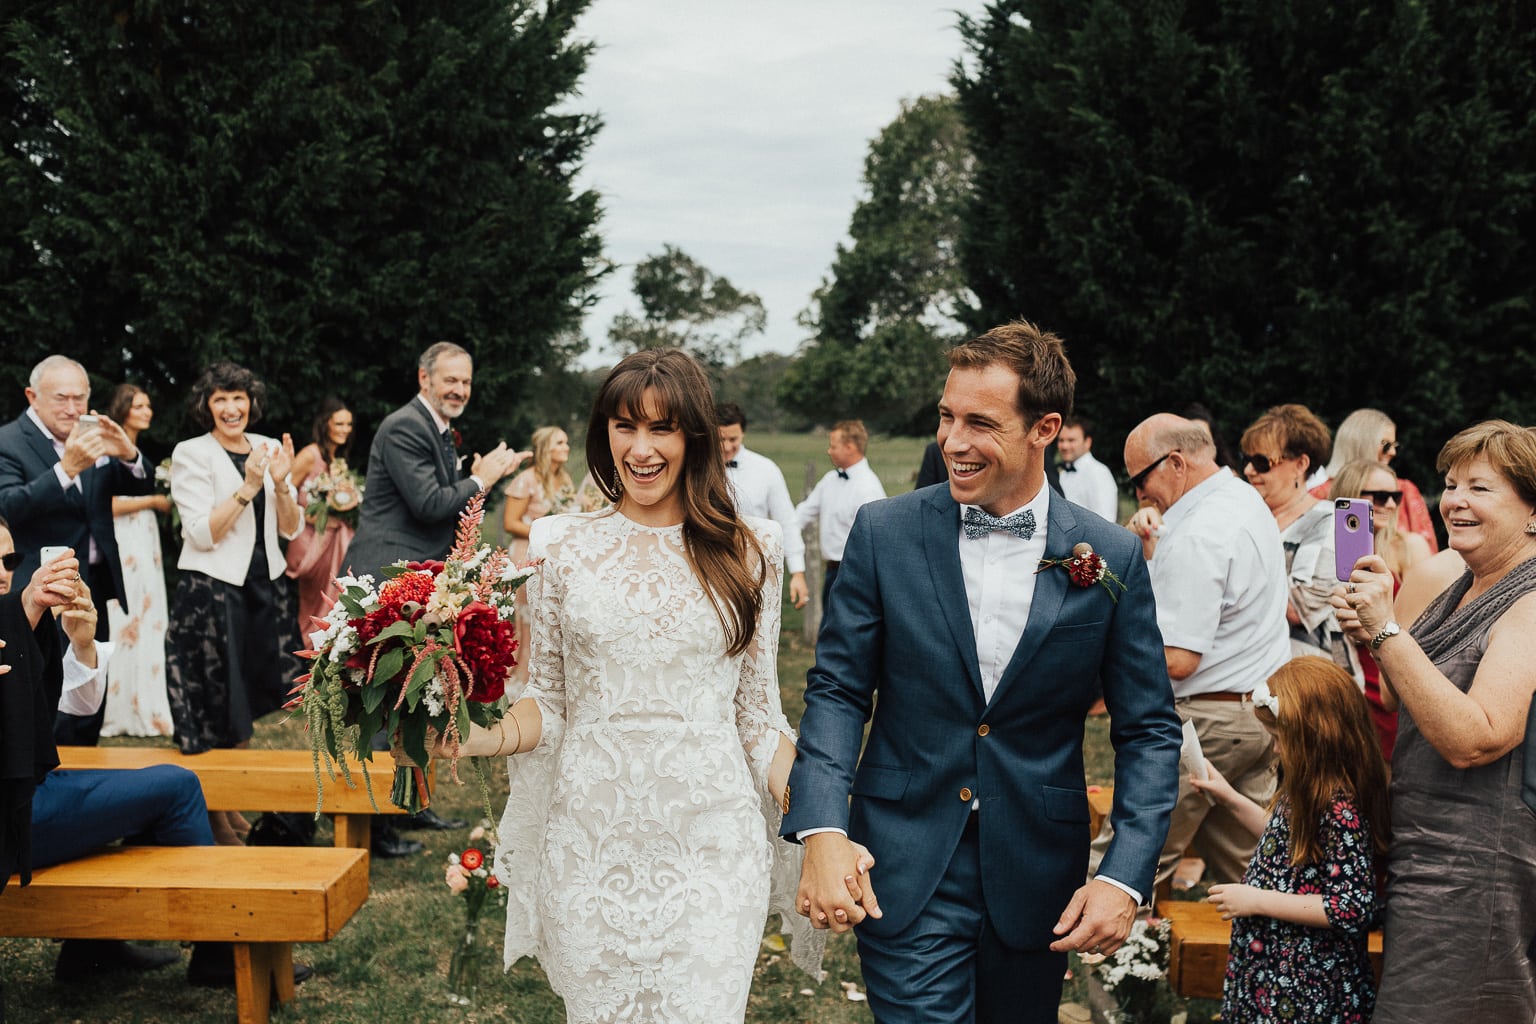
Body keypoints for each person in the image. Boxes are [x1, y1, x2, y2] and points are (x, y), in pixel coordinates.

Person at [786, 322, 1183, 1024]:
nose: (952, 440)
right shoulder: (883, 533)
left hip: (1038, 876)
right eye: (947, 417)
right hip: (903, 860)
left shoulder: (1110, 556)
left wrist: (1124, 876)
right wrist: (821, 827)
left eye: (980, 423)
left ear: (1044, 429)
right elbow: (839, 691)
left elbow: (1149, 729)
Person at [429, 348, 830, 1023]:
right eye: (625, 427)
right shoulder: (557, 544)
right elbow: (548, 701)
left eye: (661, 429)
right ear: (604, 433)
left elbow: (759, 719)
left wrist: (822, 825)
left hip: (712, 853)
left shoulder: (752, 547)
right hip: (591, 850)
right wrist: (476, 737)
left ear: (694, 436)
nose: (641, 450)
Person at [0, 519, 309, 989]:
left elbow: (77, 706)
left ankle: (94, 948)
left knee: (154, 786)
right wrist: (26, 610)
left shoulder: (12, 622)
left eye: (9, 560)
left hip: (32, 792)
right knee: (177, 787)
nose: (4, 572)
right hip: (13, 815)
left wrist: (82, 642)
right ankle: (215, 951)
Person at [1333, 419, 1536, 1023]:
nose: (1454, 501)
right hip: (1425, 852)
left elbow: (1478, 737)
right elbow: (1403, 699)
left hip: (1478, 866)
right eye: (1450, 485)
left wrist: (1387, 632)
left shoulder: (1530, 603)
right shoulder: (1461, 584)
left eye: (1480, 488)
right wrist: (1374, 632)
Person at [344, 342, 524, 852]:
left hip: (417, 578)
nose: (460, 390)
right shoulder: (404, 426)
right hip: (387, 575)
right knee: (383, 699)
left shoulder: (438, 428)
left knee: (414, 696)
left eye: (466, 382)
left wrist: (473, 476)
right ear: (424, 378)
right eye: (450, 380)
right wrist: (482, 478)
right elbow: (428, 504)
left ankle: (412, 802)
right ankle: (375, 822)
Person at [1113, 413, 1291, 890]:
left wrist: (1102, 661)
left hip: (1207, 724)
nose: (1139, 493)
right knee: (1251, 872)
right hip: (1258, 717)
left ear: (1176, 463)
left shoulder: (1199, 531)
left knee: (1129, 856)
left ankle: (1083, 939)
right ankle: (1271, 940)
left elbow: (1178, 658)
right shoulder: (1244, 500)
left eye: (1139, 479)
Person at [1193, 657, 1388, 1024]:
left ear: (1316, 737)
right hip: (1275, 971)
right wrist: (1229, 798)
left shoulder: (1340, 807)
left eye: (1282, 739)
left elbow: (1351, 907)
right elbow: (1284, 840)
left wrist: (1257, 900)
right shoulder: (1308, 788)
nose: (1277, 750)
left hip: (1307, 987)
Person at [163, 362, 303, 845]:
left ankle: (230, 807)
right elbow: (201, 534)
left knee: (242, 707)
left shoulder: (268, 446)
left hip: (261, 591)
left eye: (238, 397)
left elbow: (291, 528)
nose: (230, 407)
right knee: (213, 707)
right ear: (207, 406)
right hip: (210, 594)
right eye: (220, 398)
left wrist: (280, 482)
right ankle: (214, 819)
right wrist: (247, 488)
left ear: (251, 402)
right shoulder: (191, 453)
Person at [0, 355, 153, 745]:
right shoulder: (8, 441)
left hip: (91, 586)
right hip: (35, 589)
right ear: (32, 396)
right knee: (44, 690)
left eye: (80, 398)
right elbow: (7, 507)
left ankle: (86, 760)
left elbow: (140, 484)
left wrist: (128, 454)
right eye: (61, 398)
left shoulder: (91, 435)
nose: (72, 408)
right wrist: (65, 470)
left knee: (89, 682)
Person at [1240, 404, 1359, 684]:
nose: (1248, 470)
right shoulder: (1247, 518)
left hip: (1317, 683)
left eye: (1262, 462)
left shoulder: (1329, 522)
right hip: (1255, 679)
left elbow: (1298, 606)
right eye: (1245, 459)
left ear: (1300, 465)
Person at [1328, 460, 1432, 760]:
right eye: (1378, 496)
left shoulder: (1409, 547)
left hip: (1387, 670)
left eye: (1395, 497)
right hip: (1341, 677)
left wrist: (1373, 626)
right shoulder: (1324, 549)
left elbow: (1426, 626)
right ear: (1350, 495)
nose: (1389, 504)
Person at [98, 384, 174, 738]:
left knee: (148, 615)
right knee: (124, 614)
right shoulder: (107, 449)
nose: (147, 411)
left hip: (144, 537)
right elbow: (105, 504)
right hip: (122, 537)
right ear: (123, 408)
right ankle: (117, 705)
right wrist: (153, 502)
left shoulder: (136, 451)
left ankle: (146, 701)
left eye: (148, 405)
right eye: (139, 406)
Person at [501, 425, 578, 685]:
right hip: (527, 556)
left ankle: (548, 680)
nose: (566, 447)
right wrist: (546, 532)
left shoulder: (564, 481)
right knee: (528, 619)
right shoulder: (526, 479)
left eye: (566, 442)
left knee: (549, 617)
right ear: (546, 448)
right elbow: (510, 522)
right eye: (560, 442)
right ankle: (520, 678)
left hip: (553, 558)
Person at [717, 402, 809, 609]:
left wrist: (797, 572)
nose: (727, 447)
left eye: (733, 439)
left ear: (743, 434)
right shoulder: (696, 468)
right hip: (709, 567)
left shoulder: (766, 469)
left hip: (755, 570)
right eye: (720, 439)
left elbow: (786, 521)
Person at [1311, 408, 1438, 552]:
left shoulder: (1405, 490)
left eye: (1395, 446)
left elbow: (1429, 552)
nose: (1393, 452)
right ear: (1360, 443)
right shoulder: (1317, 496)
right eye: (1386, 445)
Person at [283, 396, 357, 632]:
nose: (345, 430)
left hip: (334, 540)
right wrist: (310, 516)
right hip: (310, 540)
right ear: (326, 424)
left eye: (348, 424)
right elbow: (283, 492)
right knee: (313, 603)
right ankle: (308, 642)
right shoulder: (310, 455)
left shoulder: (338, 459)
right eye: (339, 424)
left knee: (334, 601)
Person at [794, 419, 885, 606]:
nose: (829, 451)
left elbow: (877, 539)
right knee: (828, 623)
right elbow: (802, 514)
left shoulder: (868, 488)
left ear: (850, 447)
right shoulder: (829, 480)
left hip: (857, 574)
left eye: (833, 446)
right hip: (832, 572)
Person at [1055, 414, 1119, 522]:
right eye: (1061, 440)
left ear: (1087, 442)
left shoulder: (1099, 472)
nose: (1064, 446)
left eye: (1071, 440)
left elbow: (1105, 521)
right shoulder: (1063, 473)